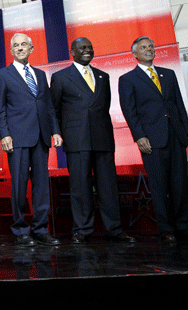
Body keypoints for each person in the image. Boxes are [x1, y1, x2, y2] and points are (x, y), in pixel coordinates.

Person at [50, 37, 136, 244]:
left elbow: (103, 107)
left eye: (90, 47)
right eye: (82, 48)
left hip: (103, 138)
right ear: (73, 52)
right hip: (76, 139)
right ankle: (82, 230)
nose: (87, 50)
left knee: (108, 186)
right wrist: (57, 132)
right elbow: (53, 109)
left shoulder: (103, 76)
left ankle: (114, 229)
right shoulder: (60, 77)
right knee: (80, 187)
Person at [118, 36, 188, 243]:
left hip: (175, 137)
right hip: (151, 140)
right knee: (160, 185)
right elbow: (130, 111)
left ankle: (182, 226)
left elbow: (178, 103)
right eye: (143, 47)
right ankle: (166, 228)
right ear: (134, 54)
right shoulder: (127, 79)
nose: (149, 49)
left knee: (180, 185)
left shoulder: (168, 74)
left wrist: (185, 133)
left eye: (151, 46)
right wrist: (139, 136)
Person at [0, 33, 62, 247]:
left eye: (24, 45)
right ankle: (21, 229)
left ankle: (41, 229)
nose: (20, 48)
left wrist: (56, 131)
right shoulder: (3, 75)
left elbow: (49, 107)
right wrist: (4, 134)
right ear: (11, 51)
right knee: (19, 185)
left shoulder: (41, 75)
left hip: (41, 136)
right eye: (16, 46)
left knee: (41, 186)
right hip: (18, 137)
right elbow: (1, 109)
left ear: (31, 48)